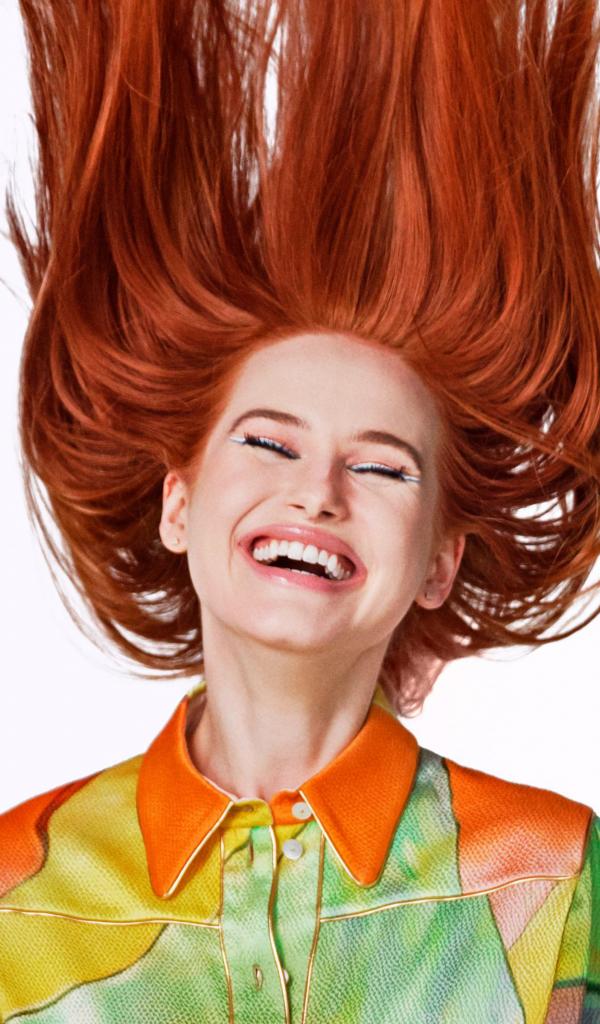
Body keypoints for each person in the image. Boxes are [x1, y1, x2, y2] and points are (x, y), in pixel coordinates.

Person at [0, 0, 598, 1021]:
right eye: (269, 444)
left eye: (383, 468)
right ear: (179, 501)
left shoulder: (554, 877)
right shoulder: (17, 891)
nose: (318, 492)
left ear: (441, 561)